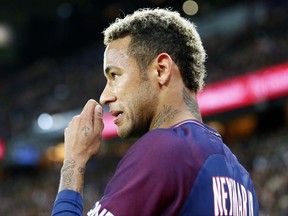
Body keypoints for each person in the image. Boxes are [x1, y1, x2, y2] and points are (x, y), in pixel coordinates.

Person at [52, 8, 259, 216]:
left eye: (115, 75)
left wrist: (74, 161)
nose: (104, 96)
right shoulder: (242, 179)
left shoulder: (163, 149)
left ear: (161, 69)